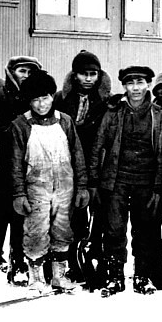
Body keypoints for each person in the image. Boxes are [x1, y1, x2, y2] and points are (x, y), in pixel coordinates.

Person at [90, 65, 162, 297]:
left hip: (146, 181)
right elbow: (98, 146)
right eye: (130, 83)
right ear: (124, 86)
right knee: (114, 230)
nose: (135, 88)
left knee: (145, 231)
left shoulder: (159, 115)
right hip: (116, 180)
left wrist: (158, 186)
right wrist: (94, 181)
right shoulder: (113, 112)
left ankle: (142, 277)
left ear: (149, 85)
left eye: (140, 83)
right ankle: (115, 277)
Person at [10, 71, 90, 294]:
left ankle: (58, 276)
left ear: (52, 96)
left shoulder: (65, 121)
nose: (41, 104)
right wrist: (19, 194)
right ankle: (35, 277)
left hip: (65, 186)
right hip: (36, 188)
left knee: (62, 230)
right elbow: (15, 164)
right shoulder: (21, 125)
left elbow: (78, 156)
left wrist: (82, 187)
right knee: (36, 231)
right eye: (35, 100)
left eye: (45, 98)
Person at [52, 50, 113, 286]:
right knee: (74, 215)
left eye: (92, 74)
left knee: (100, 215)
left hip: (98, 165)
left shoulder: (108, 102)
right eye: (83, 74)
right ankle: (73, 261)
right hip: (69, 164)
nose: (88, 79)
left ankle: (96, 259)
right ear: (74, 75)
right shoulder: (60, 99)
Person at [0, 55, 43, 286]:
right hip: (1, 168)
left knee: (22, 220)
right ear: (11, 72)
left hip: (27, 171)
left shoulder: (37, 100)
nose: (26, 75)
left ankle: (18, 265)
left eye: (30, 71)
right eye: (21, 71)